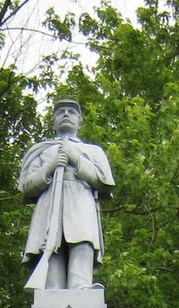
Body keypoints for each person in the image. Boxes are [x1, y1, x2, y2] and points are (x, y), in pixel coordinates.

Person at [20, 98, 114, 291]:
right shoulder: (41, 151)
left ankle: (81, 287)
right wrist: (51, 166)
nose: (65, 115)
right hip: (49, 205)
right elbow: (27, 186)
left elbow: (104, 180)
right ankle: (52, 290)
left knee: (83, 243)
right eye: (60, 112)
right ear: (53, 122)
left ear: (80, 121)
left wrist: (76, 159)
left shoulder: (93, 151)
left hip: (81, 203)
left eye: (71, 112)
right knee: (51, 249)